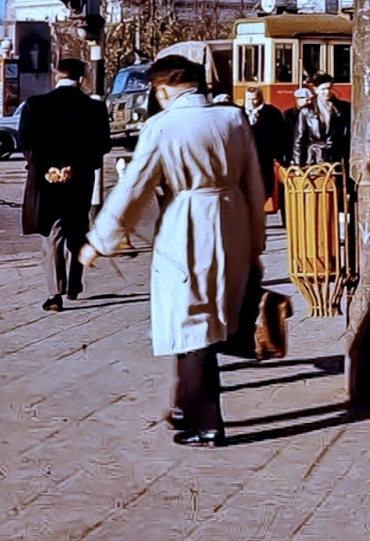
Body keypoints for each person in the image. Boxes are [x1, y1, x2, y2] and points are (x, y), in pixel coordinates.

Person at [79, 55, 266, 448]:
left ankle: (208, 423)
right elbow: (254, 182)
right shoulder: (232, 118)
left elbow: (134, 188)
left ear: (162, 89)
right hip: (231, 218)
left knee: (191, 319)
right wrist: (255, 241)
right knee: (212, 314)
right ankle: (183, 405)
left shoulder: (161, 127)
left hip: (188, 223)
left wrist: (99, 240)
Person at [18, 57, 112, 313]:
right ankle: (74, 283)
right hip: (80, 179)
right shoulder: (94, 108)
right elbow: (102, 145)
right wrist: (74, 166)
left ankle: (54, 294)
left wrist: (49, 167)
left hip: (45, 181)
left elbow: (25, 143)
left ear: (55, 74)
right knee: (78, 228)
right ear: (82, 77)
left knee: (53, 233)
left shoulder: (35, 105)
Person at [243, 86, 291, 215]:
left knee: (266, 187)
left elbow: (281, 136)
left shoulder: (272, 113)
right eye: (249, 99)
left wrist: (281, 157)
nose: (252, 102)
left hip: (264, 157)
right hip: (244, 159)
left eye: (255, 99)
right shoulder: (239, 113)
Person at [292, 74, 350, 167]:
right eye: (323, 89)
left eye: (329, 88)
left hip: (336, 158)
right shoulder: (306, 111)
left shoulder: (343, 108)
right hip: (314, 158)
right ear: (316, 90)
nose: (327, 92)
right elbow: (299, 139)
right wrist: (297, 164)